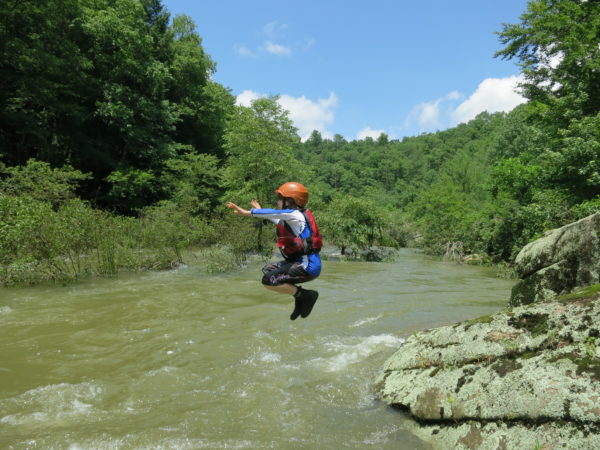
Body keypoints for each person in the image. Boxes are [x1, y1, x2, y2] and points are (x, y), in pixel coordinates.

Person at [226, 182, 322, 320]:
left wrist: (247, 212)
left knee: (268, 280)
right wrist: (259, 209)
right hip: (300, 263)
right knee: (268, 270)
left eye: (280, 198)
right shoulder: (291, 219)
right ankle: (299, 297)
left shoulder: (296, 215)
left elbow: (274, 213)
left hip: (308, 267)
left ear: (290, 201)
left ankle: (304, 295)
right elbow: (273, 216)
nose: (277, 202)